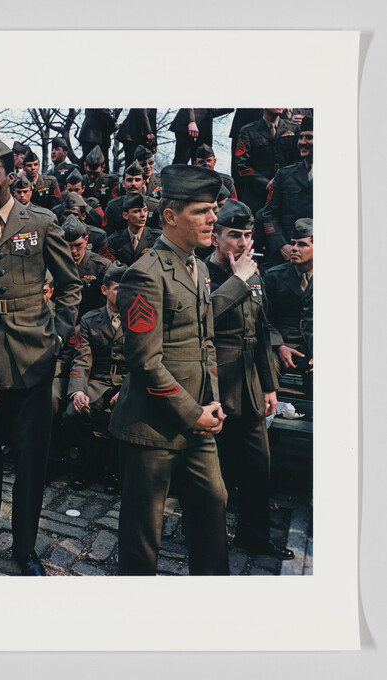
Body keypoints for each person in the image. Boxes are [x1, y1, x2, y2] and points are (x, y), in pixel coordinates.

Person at [0, 137, 82, 576]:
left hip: (35, 359)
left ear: (11, 175)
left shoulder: (40, 223)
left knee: (30, 460)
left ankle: (25, 549)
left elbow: (70, 286)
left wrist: (57, 338)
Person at [109, 163, 229, 576]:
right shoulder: (145, 274)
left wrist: (210, 403)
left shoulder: (199, 268)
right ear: (170, 217)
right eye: (202, 211)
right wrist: (192, 412)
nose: (213, 218)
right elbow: (145, 362)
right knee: (145, 531)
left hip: (198, 420)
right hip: (152, 427)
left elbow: (205, 341)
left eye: (213, 209)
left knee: (213, 503)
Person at [204, 199, 293, 560]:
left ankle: (253, 536)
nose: (242, 244)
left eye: (247, 235)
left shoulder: (256, 274)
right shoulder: (200, 273)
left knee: (258, 467)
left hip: (251, 385)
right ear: (214, 236)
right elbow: (202, 318)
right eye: (233, 235)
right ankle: (208, 538)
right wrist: (238, 280)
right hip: (215, 384)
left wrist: (270, 385)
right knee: (215, 472)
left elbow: (260, 331)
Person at [66, 262, 128, 491]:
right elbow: (82, 358)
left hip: (127, 382)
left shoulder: (140, 320)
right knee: (73, 413)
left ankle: (114, 472)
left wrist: (127, 390)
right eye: (117, 288)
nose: (123, 294)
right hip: (99, 381)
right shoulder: (90, 320)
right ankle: (91, 465)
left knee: (121, 416)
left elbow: (143, 362)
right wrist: (78, 391)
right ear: (104, 290)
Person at [264, 219, 314, 396]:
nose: (293, 248)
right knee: (268, 364)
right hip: (284, 344)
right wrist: (279, 346)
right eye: (292, 243)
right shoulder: (274, 276)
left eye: (302, 244)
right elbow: (265, 320)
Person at [256, 116, 313, 266]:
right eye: (301, 137)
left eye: (309, 137)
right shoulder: (284, 175)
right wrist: (281, 245)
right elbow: (268, 215)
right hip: (287, 259)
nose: (302, 142)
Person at [234, 108, 301, 213]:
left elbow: (299, 160)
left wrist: (283, 179)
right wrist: (266, 184)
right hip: (256, 196)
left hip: (286, 193)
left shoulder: (293, 129)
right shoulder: (248, 131)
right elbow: (242, 166)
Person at [60, 214, 109, 320]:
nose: (73, 251)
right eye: (68, 246)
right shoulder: (54, 265)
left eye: (78, 245)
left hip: (92, 322)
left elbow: (105, 305)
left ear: (86, 240)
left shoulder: (100, 267)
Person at [105, 192, 162, 265]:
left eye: (145, 210)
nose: (143, 215)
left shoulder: (157, 237)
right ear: (126, 215)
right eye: (137, 211)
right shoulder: (114, 241)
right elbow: (112, 268)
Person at [169, 108, 233, 165]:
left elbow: (211, 110)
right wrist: (191, 121)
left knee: (200, 164)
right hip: (188, 127)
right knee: (181, 161)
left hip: (203, 130)